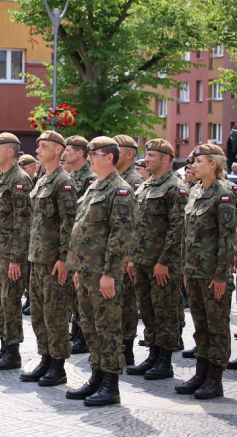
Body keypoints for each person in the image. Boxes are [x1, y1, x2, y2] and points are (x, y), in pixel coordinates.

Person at [66, 136, 135, 407]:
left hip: (103, 274)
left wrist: (110, 274)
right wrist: (77, 268)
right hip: (86, 271)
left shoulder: (120, 191)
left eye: (94, 154)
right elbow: (82, 229)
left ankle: (110, 384)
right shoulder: (96, 187)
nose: (90, 157)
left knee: (107, 328)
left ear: (109, 157)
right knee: (90, 327)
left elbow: (120, 237)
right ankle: (96, 376)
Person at [175, 144, 235, 400]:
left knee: (217, 326)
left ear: (213, 164)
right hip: (195, 271)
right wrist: (186, 270)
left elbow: (228, 238)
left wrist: (221, 275)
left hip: (213, 274)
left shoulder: (225, 194)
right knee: (200, 326)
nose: (193, 166)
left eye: (198, 161)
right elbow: (188, 235)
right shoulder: (196, 190)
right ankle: (200, 372)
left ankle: (215, 378)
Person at [125, 139, 186, 380]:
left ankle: (165, 360)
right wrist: (131, 257)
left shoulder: (175, 187)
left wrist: (165, 262)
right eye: (146, 155)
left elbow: (177, 229)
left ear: (166, 159)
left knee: (165, 311)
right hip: (141, 261)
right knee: (148, 310)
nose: (146, 159)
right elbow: (135, 225)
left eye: (151, 155)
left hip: (161, 263)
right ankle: (152, 354)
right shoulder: (146, 185)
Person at [20, 131, 77, 385]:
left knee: (55, 314)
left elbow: (69, 223)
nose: (38, 150)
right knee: (40, 314)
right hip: (37, 258)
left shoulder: (63, 181)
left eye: (44, 147)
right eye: (38, 146)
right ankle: (45, 358)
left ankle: (58, 365)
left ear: (58, 151)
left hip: (54, 261)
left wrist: (64, 259)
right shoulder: (43, 180)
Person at [0, 133, 33, 370]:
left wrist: (16, 259)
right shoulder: (0, 178)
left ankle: (13, 351)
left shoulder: (19, 180)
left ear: (10, 151)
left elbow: (23, 223)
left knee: (10, 302)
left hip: (10, 255)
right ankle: (3, 347)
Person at [113, 134, 146, 365]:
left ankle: (127, 348)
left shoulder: (134, 181)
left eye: (118, 148)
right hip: (112, 254)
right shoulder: (113, 179)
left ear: (130, 154)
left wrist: (130, 255)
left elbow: (137, 223)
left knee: (127, 303)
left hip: (126, 255)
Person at [64, 135, 96, 355]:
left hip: (83, 245)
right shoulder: (71, 176)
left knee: (80, 293)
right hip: (70, 242)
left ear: (81, 153)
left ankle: (83, 334)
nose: (65, 154)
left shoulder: (89, 178)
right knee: (73, 294)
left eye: (69, 150)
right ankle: (76, 331)